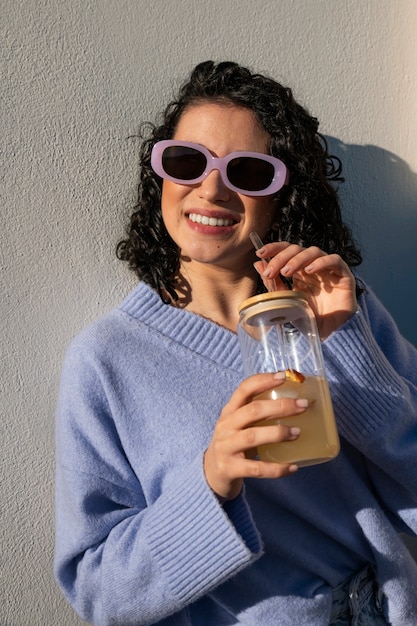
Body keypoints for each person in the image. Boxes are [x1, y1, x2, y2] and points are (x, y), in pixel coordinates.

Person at [54, 60, 417, 626]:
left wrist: (336, 339)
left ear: (281, 193)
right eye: (187, 161)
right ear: (161, 179)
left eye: (248, 171)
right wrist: (212, 481)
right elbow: (101, 593)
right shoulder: (107, 360)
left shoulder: (345, 305)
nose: (213, 188)